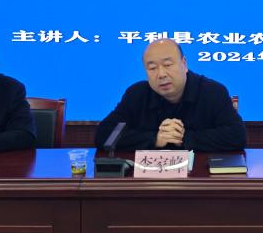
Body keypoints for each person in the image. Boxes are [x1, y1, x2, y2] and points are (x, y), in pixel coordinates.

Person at [95, 38, 246, 151]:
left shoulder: (212, 92)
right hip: (149, 179)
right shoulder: (136, 94)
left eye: (167, 65)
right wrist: (155, 139)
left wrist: (183, 138)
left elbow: (237, 136)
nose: (161, 74)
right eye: (152, 68)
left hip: (199, 178)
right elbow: (104, 135)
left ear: (184, 64)